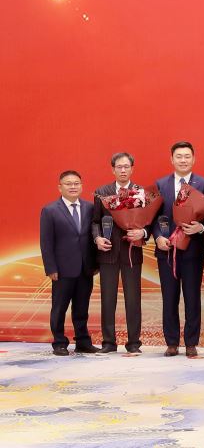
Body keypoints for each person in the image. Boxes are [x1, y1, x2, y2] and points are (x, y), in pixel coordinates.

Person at [153, 141, 204, 357]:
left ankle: (191, 342)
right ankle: (171, 342)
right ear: (172, 159)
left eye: (187, 156)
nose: (183, 160)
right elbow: (153, 216)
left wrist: (200, 227)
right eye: (179, 156)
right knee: (169, 297)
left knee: (192, 297)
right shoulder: (161, 184)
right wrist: (158, 236)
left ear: (193, 159)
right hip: (167, 249)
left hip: (193, 250)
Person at [91, 152, 146, 354]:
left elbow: (148, 222)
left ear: (132, 169)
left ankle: (134, 343)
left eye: (126, 167)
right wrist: (97, 238)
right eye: (119, 167)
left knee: (133, 299)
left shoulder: (141, 193)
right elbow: (95, 221)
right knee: (108, 298)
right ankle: (108, 342)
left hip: (132, 252)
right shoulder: (101, 192)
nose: (123, 170)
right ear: (113, 169)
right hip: (108, 252)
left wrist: (143, 233)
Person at [41, 170, 96, 356]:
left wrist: (94, 265)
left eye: (76, 183)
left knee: (82, 308)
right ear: (60, 187)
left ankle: (83, 342)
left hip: (85, 269)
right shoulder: (50, 210)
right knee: (59, 308)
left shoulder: (90, 208)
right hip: (62, 270)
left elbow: (92, 237)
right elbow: (46, 242)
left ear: (81, 186)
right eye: (68, 184)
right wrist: (50, 268)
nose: (73, 187)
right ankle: (59, 342)